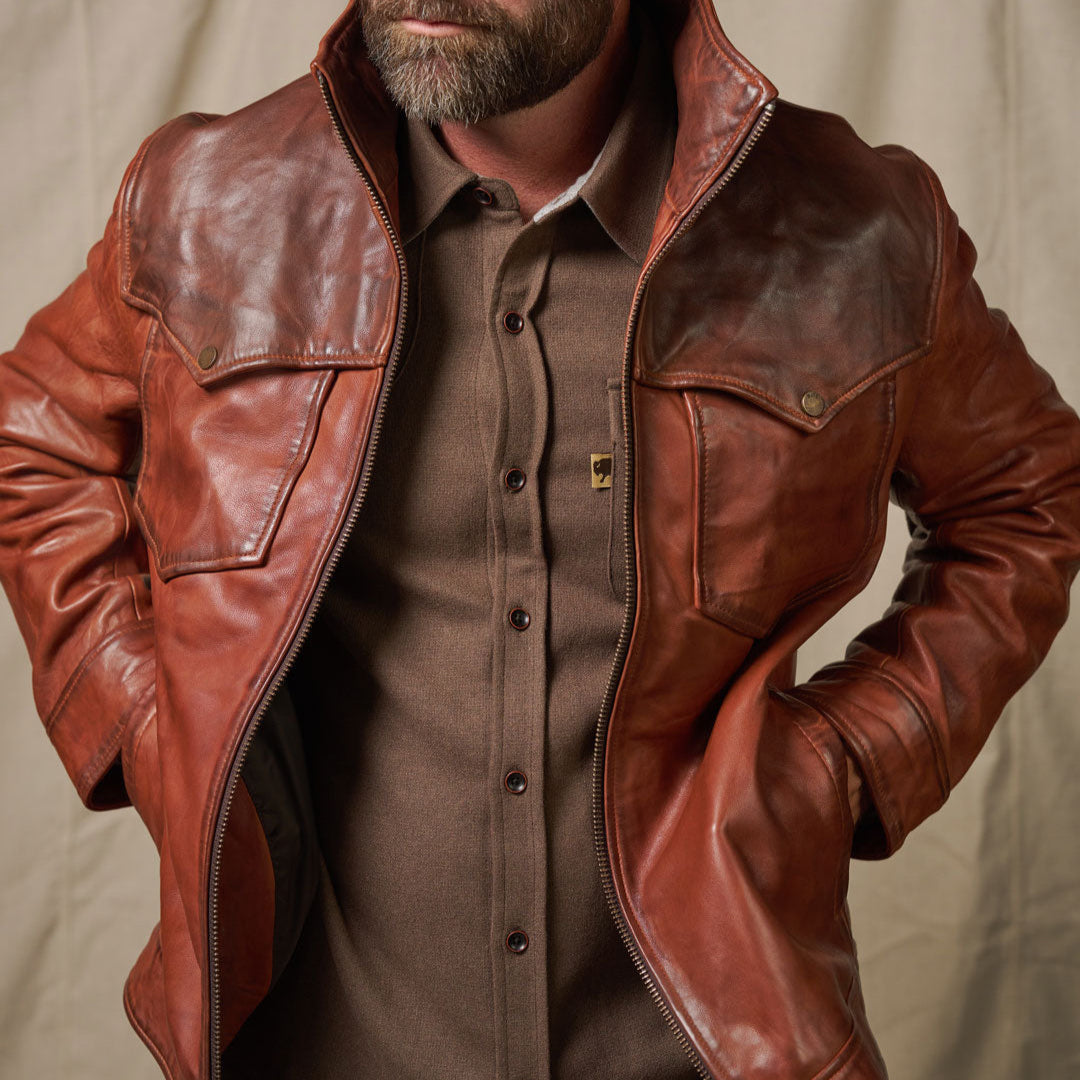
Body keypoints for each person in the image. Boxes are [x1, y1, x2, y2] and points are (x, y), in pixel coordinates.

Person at [1, 0, 1078, 1078]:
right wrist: (150, 722)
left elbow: (1031, 492)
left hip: (707, 1056)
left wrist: (849, 756)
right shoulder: (207, 201)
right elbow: (32, 440)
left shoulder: (854, 226)